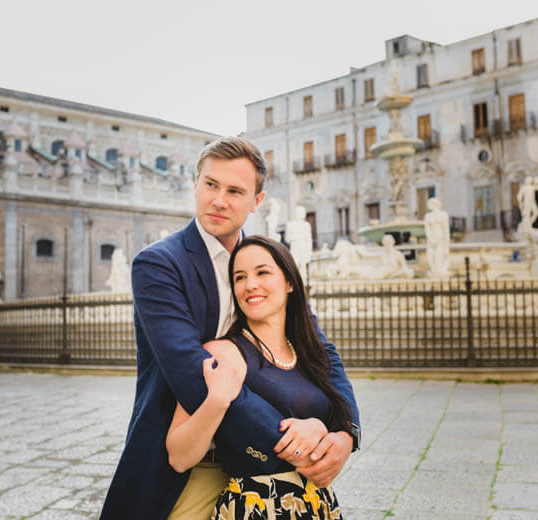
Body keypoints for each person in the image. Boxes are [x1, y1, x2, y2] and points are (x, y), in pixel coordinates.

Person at [101, 137, 360, 520]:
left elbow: (320, 350)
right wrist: (296, 443)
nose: (218, 200)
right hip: (194, 464)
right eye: (210, 185)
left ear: (257, 201)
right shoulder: (158, 265)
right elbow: (194, 374)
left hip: (267, 475)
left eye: (235, 190)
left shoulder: (268, 261)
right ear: (195, 185)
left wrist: (344, 434)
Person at [167, 235, 353, 519]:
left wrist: (322, 429)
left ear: (290, 282)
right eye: (239, 277)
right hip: (259, 506)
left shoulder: (308, 353)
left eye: (262, 272)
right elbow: (178, 456)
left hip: (318, 504)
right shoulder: (222, 353)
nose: (250, 284)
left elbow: (339, 413)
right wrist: (216, 401)